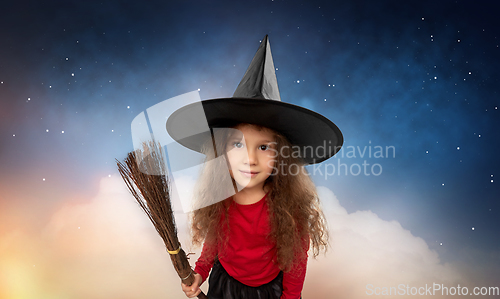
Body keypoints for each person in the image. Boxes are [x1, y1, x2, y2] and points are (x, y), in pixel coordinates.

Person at [166, 35, 343, 299]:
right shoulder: (221, 197)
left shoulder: (288, 208)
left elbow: (295, 263)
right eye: (238, 145)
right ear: (221, 152)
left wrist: (289, 298)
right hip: (224, 284)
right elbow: (214, 243)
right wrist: (200, 272)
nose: (250, 159)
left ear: (281, 156)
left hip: (266, 291)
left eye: (263, 147)